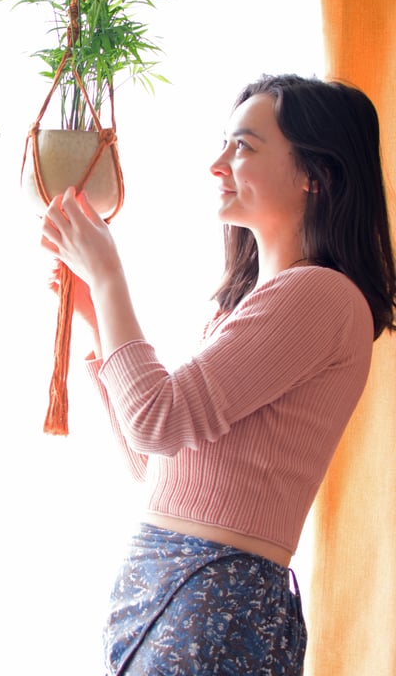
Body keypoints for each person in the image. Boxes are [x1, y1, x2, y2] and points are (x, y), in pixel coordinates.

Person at [40, 74, 396, 675]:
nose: (217, 164)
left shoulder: (320, 296)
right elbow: (156, 467)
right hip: (178, 589)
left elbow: (159, 420)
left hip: (215, 597)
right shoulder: (263, 304)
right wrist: (97, 320)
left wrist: (108, 278)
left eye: (243, 147)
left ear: (317, 173)